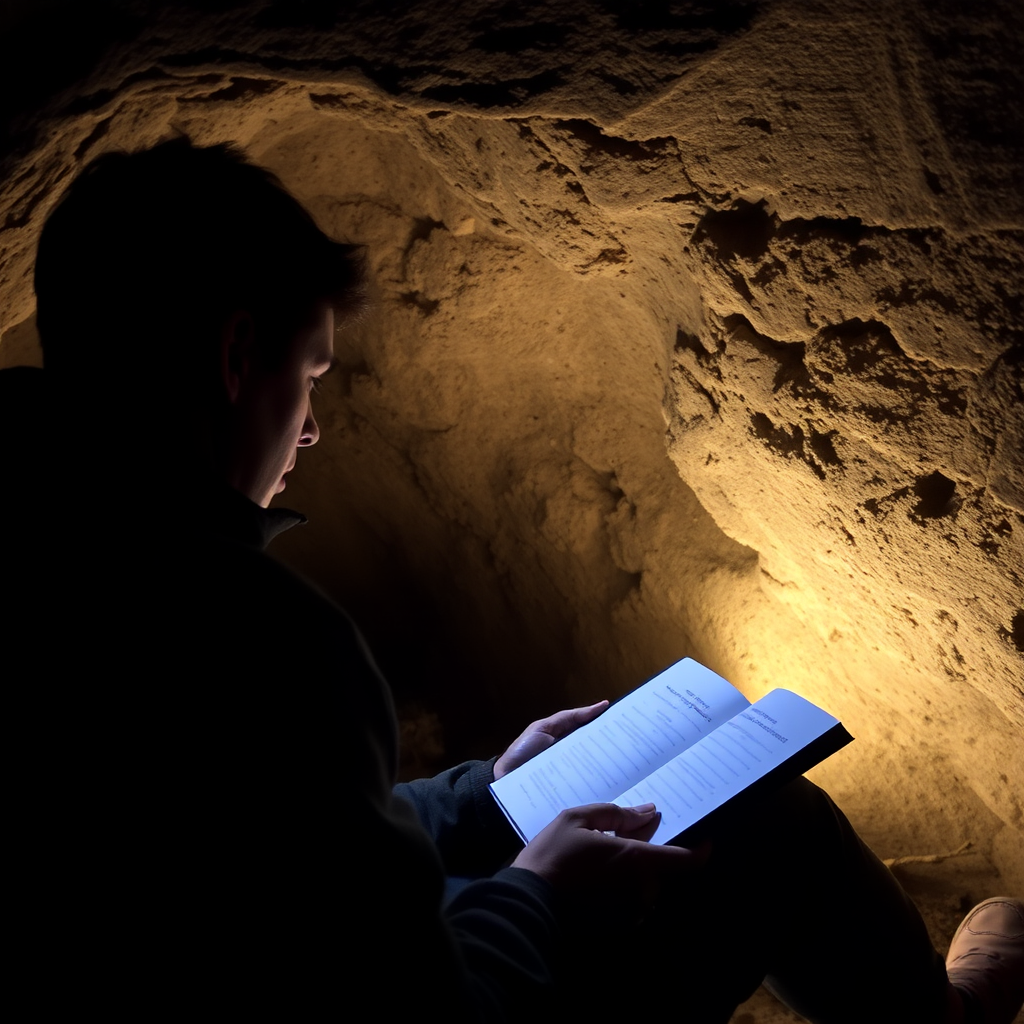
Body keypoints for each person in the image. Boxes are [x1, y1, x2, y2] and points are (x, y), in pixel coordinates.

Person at [3, 138, 1020, 1022]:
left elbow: (281, 856)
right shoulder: (258, 634)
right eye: (308, 377)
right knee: (768, 828)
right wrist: (538, 888)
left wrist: (488, 796)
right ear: (235, 355)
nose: (310, 427)